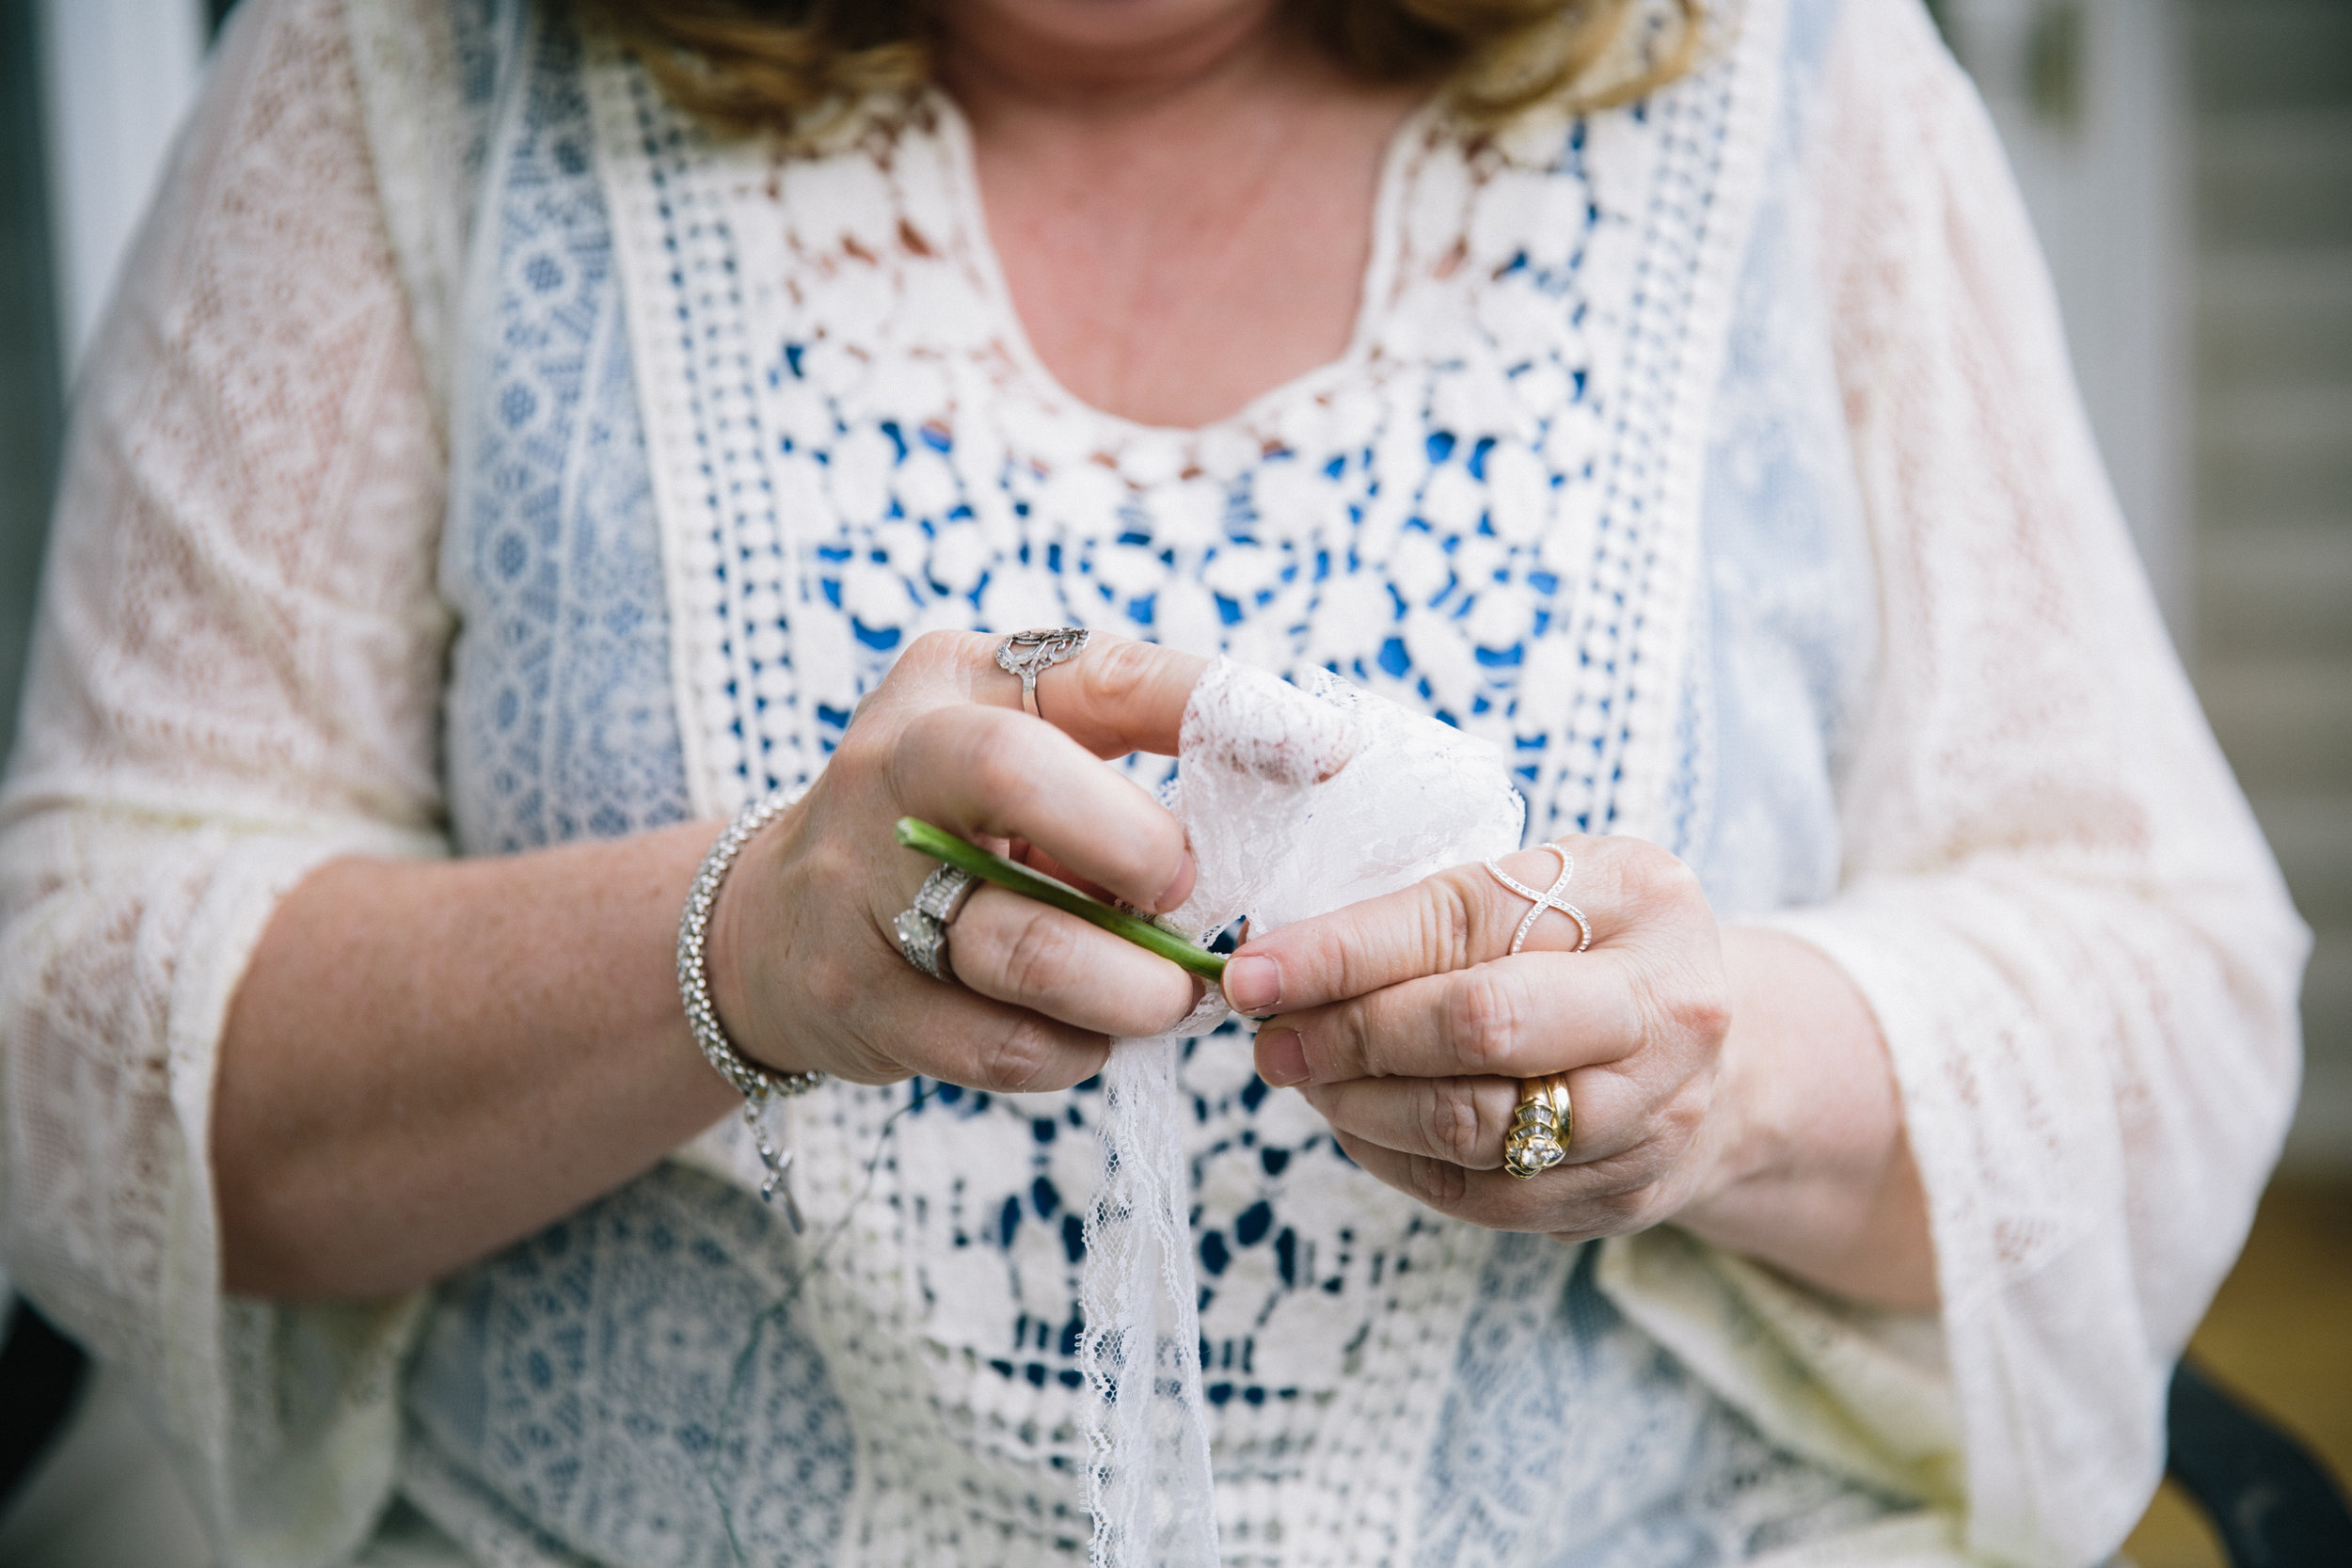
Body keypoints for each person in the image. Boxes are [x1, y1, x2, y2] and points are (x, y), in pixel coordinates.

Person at [0, 0, 2306, 1561]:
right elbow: (76, 1010)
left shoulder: (1775, 76)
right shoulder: (415, 67)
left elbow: (2145, 975)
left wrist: (1714, 1077)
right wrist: (739, 942)